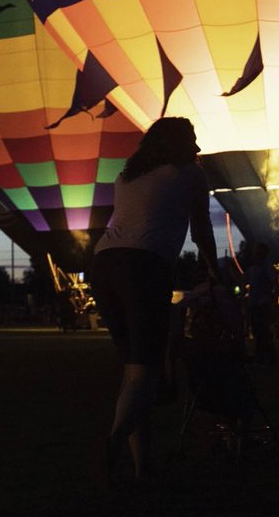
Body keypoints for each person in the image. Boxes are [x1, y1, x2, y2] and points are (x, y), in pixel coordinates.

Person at [88, 116, 219, 485]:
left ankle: (144, 466)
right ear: (177, 143)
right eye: (191, 138)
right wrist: (215, 271)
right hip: (144, 265)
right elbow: (201, 229)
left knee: (133, 372)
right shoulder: (191, 174)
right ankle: (112, 445)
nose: (196, 146)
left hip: (103, 264)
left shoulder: (126, 176)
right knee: (145, 371)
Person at [245, 242, 278, 366]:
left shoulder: (267, 268)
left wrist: (273, 302)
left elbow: (275, 285)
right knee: (258, 332)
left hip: (262, 304)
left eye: (257, 251)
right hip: (255, 303)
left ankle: (266, 357)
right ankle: (263, 356)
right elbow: (246, 282)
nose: (254, 253)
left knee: (263, 331)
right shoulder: (253, 269)